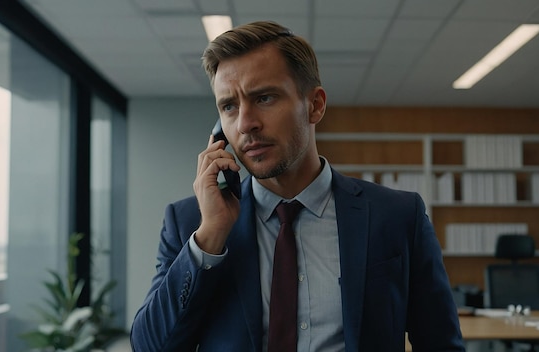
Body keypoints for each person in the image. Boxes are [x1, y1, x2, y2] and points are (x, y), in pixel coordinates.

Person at [130, 20, 464, 352]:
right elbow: (150, 347)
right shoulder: (191, 222)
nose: (246, 124)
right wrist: (211, 237)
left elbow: (441, 344)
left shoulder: (397, 216)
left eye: (264, 98)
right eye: (229, 106)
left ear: (315, 105)